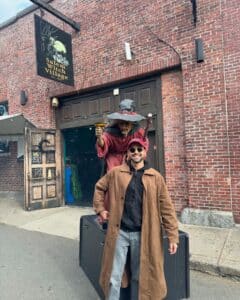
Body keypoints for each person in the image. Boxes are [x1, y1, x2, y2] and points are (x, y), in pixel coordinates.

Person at [93, 138, 179, 300]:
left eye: (139, 149)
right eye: (132, 150)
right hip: (120, 233)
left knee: (142, 277)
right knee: (114, 275)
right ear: (127, 154)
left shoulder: (156, 177)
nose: (136, 152)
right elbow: (100, 187)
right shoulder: (116, 173)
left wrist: (172, 235)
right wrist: (100, 209)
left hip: (143, 234)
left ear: (145, 153)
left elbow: (167, 208)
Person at [95, 99, 149, 172]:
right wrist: (99, 137)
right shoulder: (110, 132)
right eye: (121, 124)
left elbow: (143, 146)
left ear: (132, 123)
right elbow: (103, 143)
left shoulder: (138, 131)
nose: (124, 127)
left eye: (126, 124)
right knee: (113, 175)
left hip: (130, 159)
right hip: (113, 161)